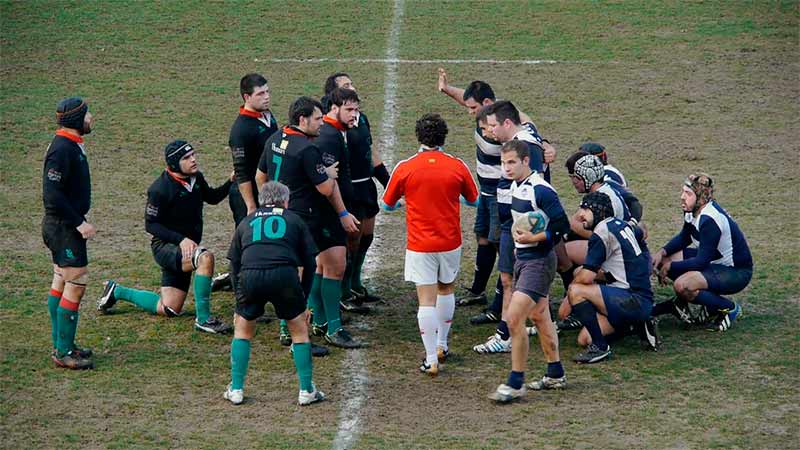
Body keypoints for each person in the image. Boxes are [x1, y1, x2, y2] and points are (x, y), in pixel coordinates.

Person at [437, 69, 556, 311]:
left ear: (488, 105)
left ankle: (503, 306)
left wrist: (544, 145)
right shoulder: (489, 116)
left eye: (473, 108)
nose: (470, 112)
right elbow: (469, 100)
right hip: (488, 193)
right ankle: (479, 291)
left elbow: (529, 132)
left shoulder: (507, 127)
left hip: (502, 198)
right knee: (483, 236)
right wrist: (448, 89)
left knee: (504, 246)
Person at [255, 96, 363, 349]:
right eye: (317, 119)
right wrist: (327, 173)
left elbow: (261, 176)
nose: (321, 124)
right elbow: (326, 188)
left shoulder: (274, 139)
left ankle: (320, 324)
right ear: (302, 119)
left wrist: (271, 204)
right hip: (307, 217)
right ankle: (317, 327)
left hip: (292, 216)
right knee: (311, 270)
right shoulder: (306, 148)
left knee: (330, 263)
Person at [97, 140, 232, 334]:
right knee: (205, 258)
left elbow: (211, 197)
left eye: (193, 154)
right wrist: (181, 240)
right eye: (187, 157)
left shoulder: (196, 178)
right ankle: (204, 319)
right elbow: (150, 224)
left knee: (169, 308)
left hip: (183, 249)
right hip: (165, 248)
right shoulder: (159, 189)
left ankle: (117, 291)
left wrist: (231, 182)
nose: (194, 159)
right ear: (175, 163)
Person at [382, 113, 479, 376]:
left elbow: (386, 204)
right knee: (446, 290)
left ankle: (430, 360)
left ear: (418, 136)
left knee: (426, 300)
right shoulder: (457, 166)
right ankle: (442, 345)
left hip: (420, 244)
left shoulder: (405, 167)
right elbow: (474, 200)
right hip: (450, 241)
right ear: (444, 136)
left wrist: (407, 201)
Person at [223, 181, 325, 406]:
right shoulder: (295, 220)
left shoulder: (246, 221)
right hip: (284, 275)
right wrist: (304, 299)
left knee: (242, 331)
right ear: (286, 201)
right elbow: (311, 262)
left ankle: (237, 389)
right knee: (299, 332)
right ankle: (306, 390)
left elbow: (234, 263)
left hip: (250, 276)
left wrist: (238, 300)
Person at [489, 140, 568, 402]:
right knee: (540, 316)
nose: (506, 168)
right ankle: (555, 373)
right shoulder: (516, 186)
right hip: (524, 260)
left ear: (525, 161)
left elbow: (561, 226)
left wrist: (534, 239)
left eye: (511, 162)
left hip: (538, 262)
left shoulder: (541, 190)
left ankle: (515, 381)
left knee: (513, 318)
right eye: (503, 163)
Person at [472, 101, 552, 354]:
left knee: (509, 279)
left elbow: (533, 188)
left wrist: (524, 233)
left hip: (517, 224)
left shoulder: (526, 145)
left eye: (494, 125)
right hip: (515, 221)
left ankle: (505, 335)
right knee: (518, 278)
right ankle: (527, 324)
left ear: (507, 123)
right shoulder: (524, 136)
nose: (491, 131)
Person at [561, 192, 658, 364]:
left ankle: (601, 348)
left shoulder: (601, 232)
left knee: (576, 290)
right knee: (584, 339)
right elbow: (641, 232)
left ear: (599, 211)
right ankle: (635, 324)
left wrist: (569, 295)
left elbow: (585, 278)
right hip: (637, 296)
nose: (580, 214)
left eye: (585, 209)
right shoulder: (619, 224)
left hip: (632, 299)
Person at [555, 152, 646, 330]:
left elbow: (600, 235)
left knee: (566, 254)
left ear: (585, 177)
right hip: (624, 255)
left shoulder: (601, 200)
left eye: (575, 177)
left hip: (621, 262)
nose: (573, 181)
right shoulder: (607, 190)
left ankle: (578, 305)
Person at [322, 72, 390, 307]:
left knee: (367, 237)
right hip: (348, 190)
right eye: (346, 86)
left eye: (352, 83)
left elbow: (370, 151)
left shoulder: (361, 119)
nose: (353, 87)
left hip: (366, 186)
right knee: (351, 240)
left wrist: (387, 181)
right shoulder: (330, 128)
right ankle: (343, 290)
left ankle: (356, 283)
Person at [650, 173, 751, 331]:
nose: (682, 197)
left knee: (682, 285)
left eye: (688, 193)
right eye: (683, 191)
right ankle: (705, 305)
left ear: (701, 198)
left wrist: (671, 266)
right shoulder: (693, 209)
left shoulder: (709, 219)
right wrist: (662, 252)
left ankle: (729, 308)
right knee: (664, 259)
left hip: (735, 272)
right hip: (714, 263)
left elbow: (701, 262)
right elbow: (685, 237)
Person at [212, 73, 279, 292]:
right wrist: (251, 204)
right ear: (246, 97)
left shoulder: (267, 116)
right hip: (247, 195)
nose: (267, 97)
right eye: (261, 94)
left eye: (267, 91)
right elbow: (241, 172)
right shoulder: (241, 130)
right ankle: (241, 291)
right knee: (248, 244)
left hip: (265, 191)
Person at [42, 97, 96, 369]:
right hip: (64, 228)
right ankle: (63, 351)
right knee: (76, 283)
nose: (91, 118)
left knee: (61, 281)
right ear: (77, 120)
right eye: (87, 114)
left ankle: (62, 344)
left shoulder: (68, 144)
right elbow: (52, 194)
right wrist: (79, 222)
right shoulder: (63, 149)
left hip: (59, 226)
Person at [314, 87, 370, 315]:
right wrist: (341, 212)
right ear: (333, 108)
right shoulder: (329, 136)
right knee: (328, 264)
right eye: (348, 110)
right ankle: (325, 314)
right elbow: (329, 181)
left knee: (330, 263)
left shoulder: (339, 130)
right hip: (330, 212)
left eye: (356, 110)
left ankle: (330, 307)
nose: (354, 115)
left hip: (340, 206)